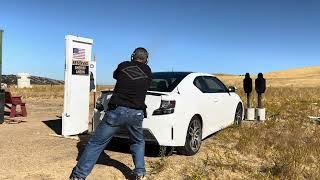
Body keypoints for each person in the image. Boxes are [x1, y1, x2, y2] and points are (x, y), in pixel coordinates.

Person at [70, 47, 152, 180]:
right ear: (146, 59)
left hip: (117, 111)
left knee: (96, 143)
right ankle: (140, 172)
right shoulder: (148, 71)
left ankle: (79, 176)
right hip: (136, 113)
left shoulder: (123, 65)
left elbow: (116, 75)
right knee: (137, 142)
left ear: (133, 56)